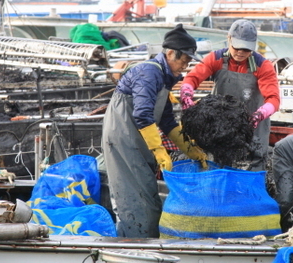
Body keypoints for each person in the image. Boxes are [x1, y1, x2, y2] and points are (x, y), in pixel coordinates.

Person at [101, 23, 208, 238]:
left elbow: (167, 122)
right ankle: (131, 247)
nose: (185, 67)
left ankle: (143, 241)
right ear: (170, 53)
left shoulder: (165, 79)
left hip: (138, 144)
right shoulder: (148, 72)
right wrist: (160, 151)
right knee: (136, 203)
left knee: (147, 197)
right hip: (122, 142)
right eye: (184, 61)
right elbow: (142, 114)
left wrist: (192, 150)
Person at [180, 19, 280, 171]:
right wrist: (186, 96)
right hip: (221, 125)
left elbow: (273, 99)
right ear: (229, 39)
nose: (240, 52)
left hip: (253, 124)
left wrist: (259, 115)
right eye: (237, 47)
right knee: (217, 162)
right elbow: (192, 78)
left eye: (246, 49)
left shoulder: (263, 66)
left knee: (255, 161)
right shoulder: (216, 58)